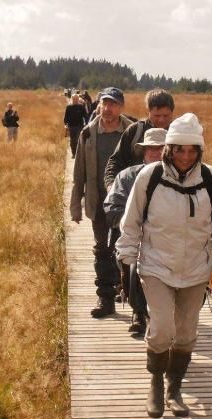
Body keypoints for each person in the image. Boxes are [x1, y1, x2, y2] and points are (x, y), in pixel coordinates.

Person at [116, 113, 212, 418]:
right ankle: (156, 383)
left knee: (186, 334)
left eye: (192, 150)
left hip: (196, 269)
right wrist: (126, 262)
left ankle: (175, 387)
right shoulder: (150, 178)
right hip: (156, 266)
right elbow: (130, 223)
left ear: (200, 150)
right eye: (179, 149)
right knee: (161, 329)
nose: (185, 156)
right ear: (169, 148)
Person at [70, 87, 134, 318]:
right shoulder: (88, 133)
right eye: (104, 103)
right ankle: (105, 298)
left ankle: (126, 291)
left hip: (128, 203)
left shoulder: (132, 131)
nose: (107, 109)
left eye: (113, 104)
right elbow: (78, 173)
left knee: (128, 248)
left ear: (121, 107)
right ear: (98, 105)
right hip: (98, 203)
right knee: (102, 250)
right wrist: (75, 206)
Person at [103, 128, 166, 335]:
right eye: (151, 149)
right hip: (135, 240)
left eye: (161, 149)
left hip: (170, 242)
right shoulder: (126, 177)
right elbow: (112, 210)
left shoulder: (184, 180)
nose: (155, 153)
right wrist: (138, 225)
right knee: (132, 261)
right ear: (143, 152)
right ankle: (139, 313)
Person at [104, 89, 175, 190]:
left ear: (172, 112)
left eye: (166, 116)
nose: (161, 120)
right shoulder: (135, 131)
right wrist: (111, 185)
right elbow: (116, 162)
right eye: (157, 115)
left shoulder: (178, 134)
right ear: (148, 111)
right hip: (134, 192)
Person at [64, 94, 89, 158]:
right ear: (72, 99)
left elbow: (85, 116)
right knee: (72, 140)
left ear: (78, 99)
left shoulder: (81, 107)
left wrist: (87, 123)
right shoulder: (69, 107)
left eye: (76, 99)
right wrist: (66, 125)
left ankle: (79, 154)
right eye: (74, 99)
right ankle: (74, 153)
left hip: (79, 126)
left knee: (78, 140)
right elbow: (66, 117)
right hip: (71, 126)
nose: (75, 100)